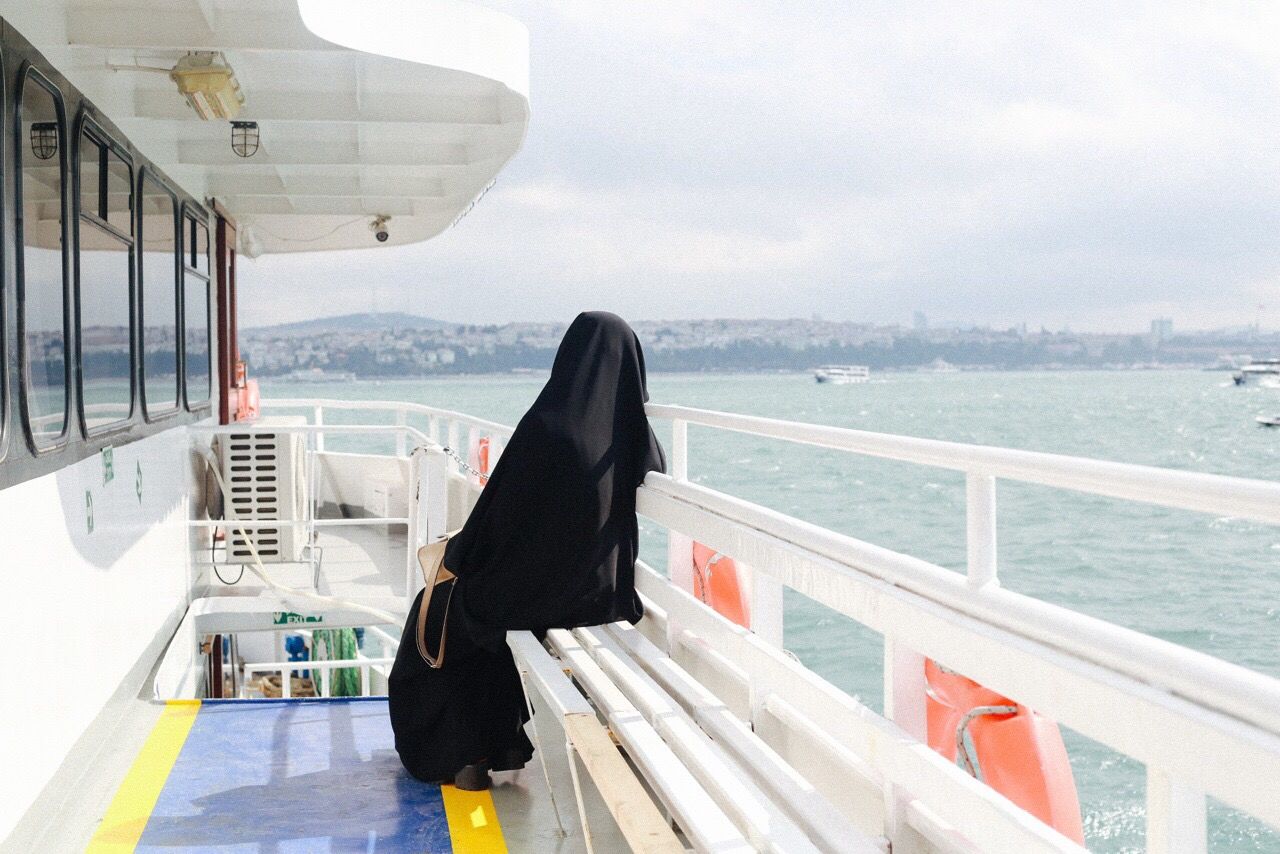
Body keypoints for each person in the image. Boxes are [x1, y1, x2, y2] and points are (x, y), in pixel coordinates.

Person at [389, 311, 666, 789]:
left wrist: (464, 557)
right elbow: (655, 468)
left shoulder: (547, 423)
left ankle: (461, 754)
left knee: (444, 612)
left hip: (540, 593)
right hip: (601, 593)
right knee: (477, 618)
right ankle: (491, 747)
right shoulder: (629, 430)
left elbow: (500, 513)